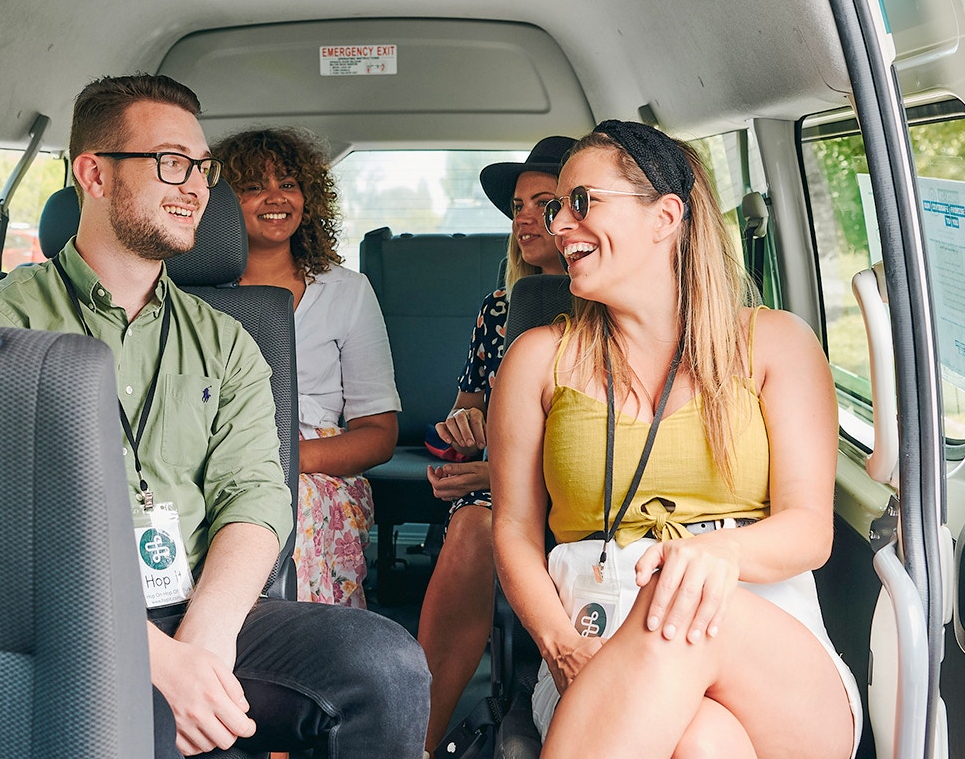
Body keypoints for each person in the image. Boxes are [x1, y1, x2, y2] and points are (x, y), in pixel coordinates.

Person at [0, 75, 428, 758]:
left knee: (381, 664)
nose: (198, 188)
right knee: (140, 719)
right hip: (57, 617)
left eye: (202, 169)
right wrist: (156, 661)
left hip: (195, 602)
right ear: (93, 173)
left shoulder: (227, 338)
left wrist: (203, 640)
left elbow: (256, 495)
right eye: (172, 163)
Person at [490, 120, 860, 757]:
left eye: (582, 202)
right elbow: (514, 530)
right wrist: (558, 643)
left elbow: (810, 529)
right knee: (706, 744)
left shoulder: (776, 343)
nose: (558, 226)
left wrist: (708, 559)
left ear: (665, 216)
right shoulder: (536, 359)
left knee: (682, 605)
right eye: (555, 208)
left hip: (774, 658)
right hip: (594, 647)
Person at [416, 135, 571, 748]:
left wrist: (496, 474)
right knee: (473, 526)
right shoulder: (500, 309)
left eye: (545, 202)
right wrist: (463, 441)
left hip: (588, 489)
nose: (525, 218)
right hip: (503, 488)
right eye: (518, 206)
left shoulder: (625, 308)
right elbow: (468, 409)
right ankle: (418, 738)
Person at [213, 126, 399, 609]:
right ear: (221, 203)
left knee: (300, 504)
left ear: (307, 197)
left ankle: (307, 656)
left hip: (316, 469)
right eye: (253, 186)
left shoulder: (347, 291)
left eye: (288, 184)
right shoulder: (194, 295)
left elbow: (378, 433)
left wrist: (289, 461)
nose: (275, 198)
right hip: (214, 458)